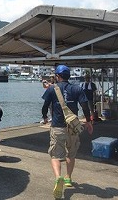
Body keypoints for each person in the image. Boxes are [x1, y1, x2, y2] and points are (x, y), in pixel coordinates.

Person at [41, 65, 93, 199]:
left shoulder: (52, 89)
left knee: (55, 154)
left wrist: (45, 117)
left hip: (57, 126)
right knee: (71, 152)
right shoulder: (77, 88)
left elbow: (45, 106)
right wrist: (88, 121)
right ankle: (68, 178)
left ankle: (59, 178)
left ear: (57, 76)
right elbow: (85, 106)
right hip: (72, 127)